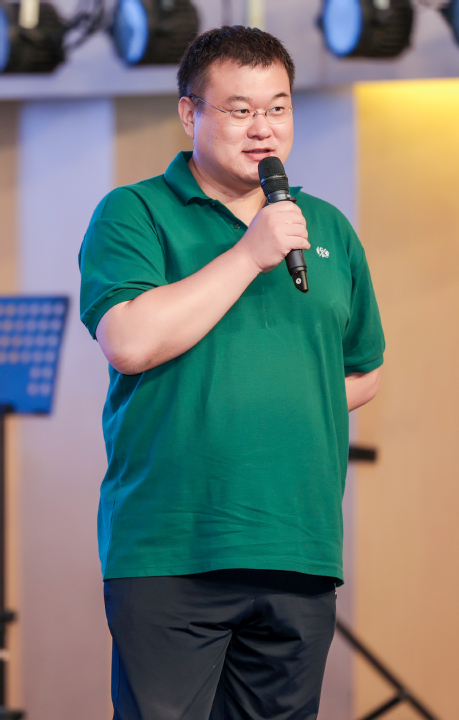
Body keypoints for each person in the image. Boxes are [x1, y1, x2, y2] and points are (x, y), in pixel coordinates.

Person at [79, 25, 384, 720]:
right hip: (172, 546)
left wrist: (282, 403)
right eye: (240, 110)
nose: (263, 128)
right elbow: (129, 342)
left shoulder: (327, 228)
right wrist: (250, 253)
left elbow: (364, 372)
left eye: (278, 108)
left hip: (298, 545)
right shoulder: (134, 213)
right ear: (190, 114)